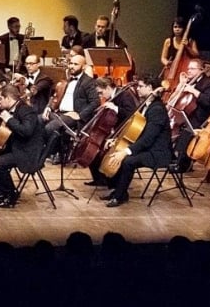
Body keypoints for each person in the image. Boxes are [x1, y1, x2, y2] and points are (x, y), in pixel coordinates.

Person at [100, 73, 172, 207]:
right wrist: (115, 140)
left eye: (140, 86)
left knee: (127, 161)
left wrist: (126, 151)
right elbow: (135, 129)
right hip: (147, 148)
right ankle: (118, 191)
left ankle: (120, 196)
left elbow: (148, 138)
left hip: (157, 152)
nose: (137, 89)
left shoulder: (157, 109)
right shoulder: (145, 105)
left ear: (150, 88)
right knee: (115, 152)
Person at [0, 84, 45, 208]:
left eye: (1, 99)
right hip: (18, 147)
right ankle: (4, 193)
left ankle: (10, 196)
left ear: (8, 98)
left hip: (28, 152)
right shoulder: (9, 111)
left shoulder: (26, 110)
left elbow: (26, 131)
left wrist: (9, 120)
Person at [82, 76, 140, 188]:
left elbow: (131, 114)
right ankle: (99, 179)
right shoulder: (112, 96)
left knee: (100, 150)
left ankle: (110, 181)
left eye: (101, 92)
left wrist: (115, 108)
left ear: (108, 87)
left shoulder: (124, 95)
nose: (100, 96)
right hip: (114, 130)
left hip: (124, 131)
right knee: (93, 149)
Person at [44, 53, 99, 139]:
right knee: (36, 122)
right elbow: (55, 96)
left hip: (72, 116)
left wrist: (80, 115)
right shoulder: (68, 79)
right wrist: (48, 108)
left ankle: (47, 152)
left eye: (75, 64)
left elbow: (95, 102)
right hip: (58, 113)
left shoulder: (88, 81)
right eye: (70, 63)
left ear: (83, 66)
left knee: (49, 128)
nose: (71, 66)